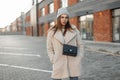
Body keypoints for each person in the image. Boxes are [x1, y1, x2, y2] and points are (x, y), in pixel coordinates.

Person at [47, 7, 84, 80]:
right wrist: (53, 59)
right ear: (58, 18)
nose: (64, 19)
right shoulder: (52, 32)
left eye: (66, 17)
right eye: (62, 17)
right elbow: (49, 48)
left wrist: (79, 57)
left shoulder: (74, 30)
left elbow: (80, 45)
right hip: (58, 62)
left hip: (73, 62)